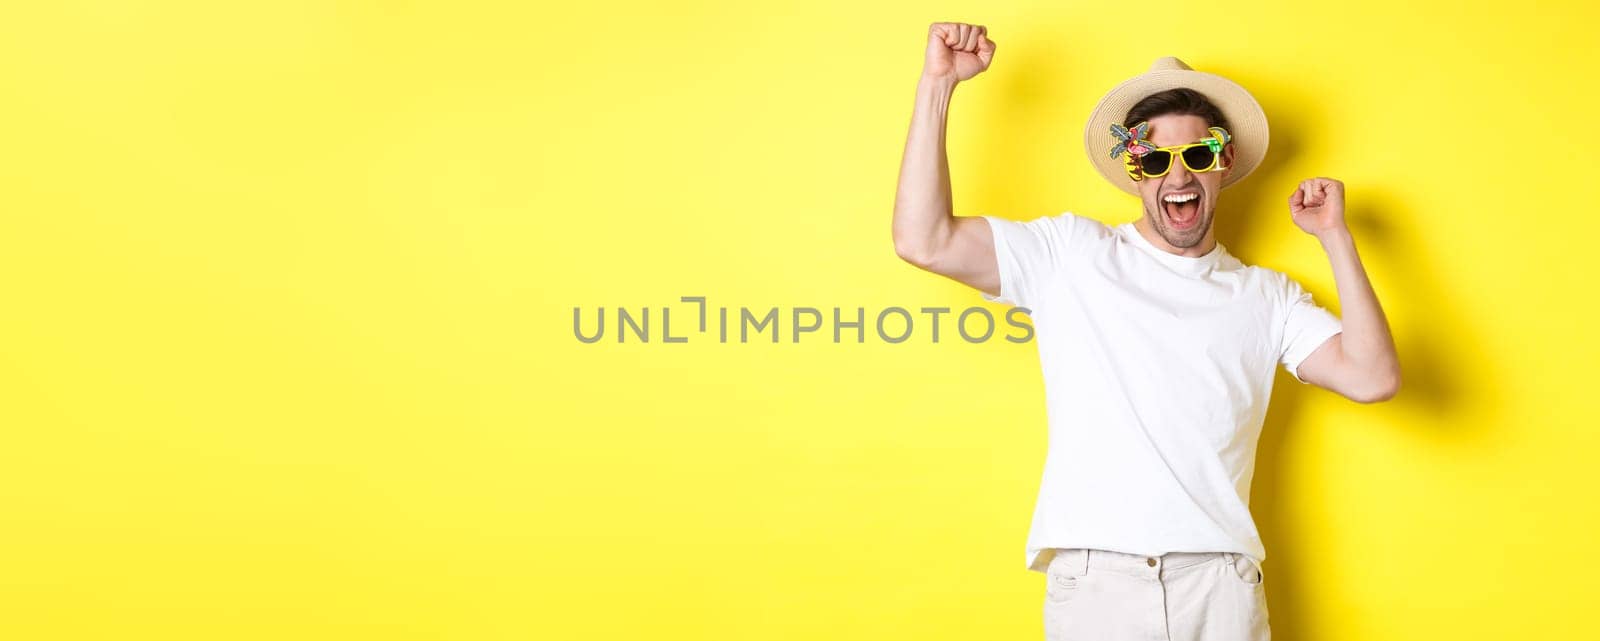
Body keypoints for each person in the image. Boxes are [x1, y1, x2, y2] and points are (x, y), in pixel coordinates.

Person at [891, 22, 1402, 641]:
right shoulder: (1071, 254)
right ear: (1134, 169)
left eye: (1197, 155)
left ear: (1224, 160)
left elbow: (1373, 377)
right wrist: (938, 85)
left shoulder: (1267, 297)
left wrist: (1336, 238)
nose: (1178, 176)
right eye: (1155, 158)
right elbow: (924, 240)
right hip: (1096, 586)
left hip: (1220, 590)